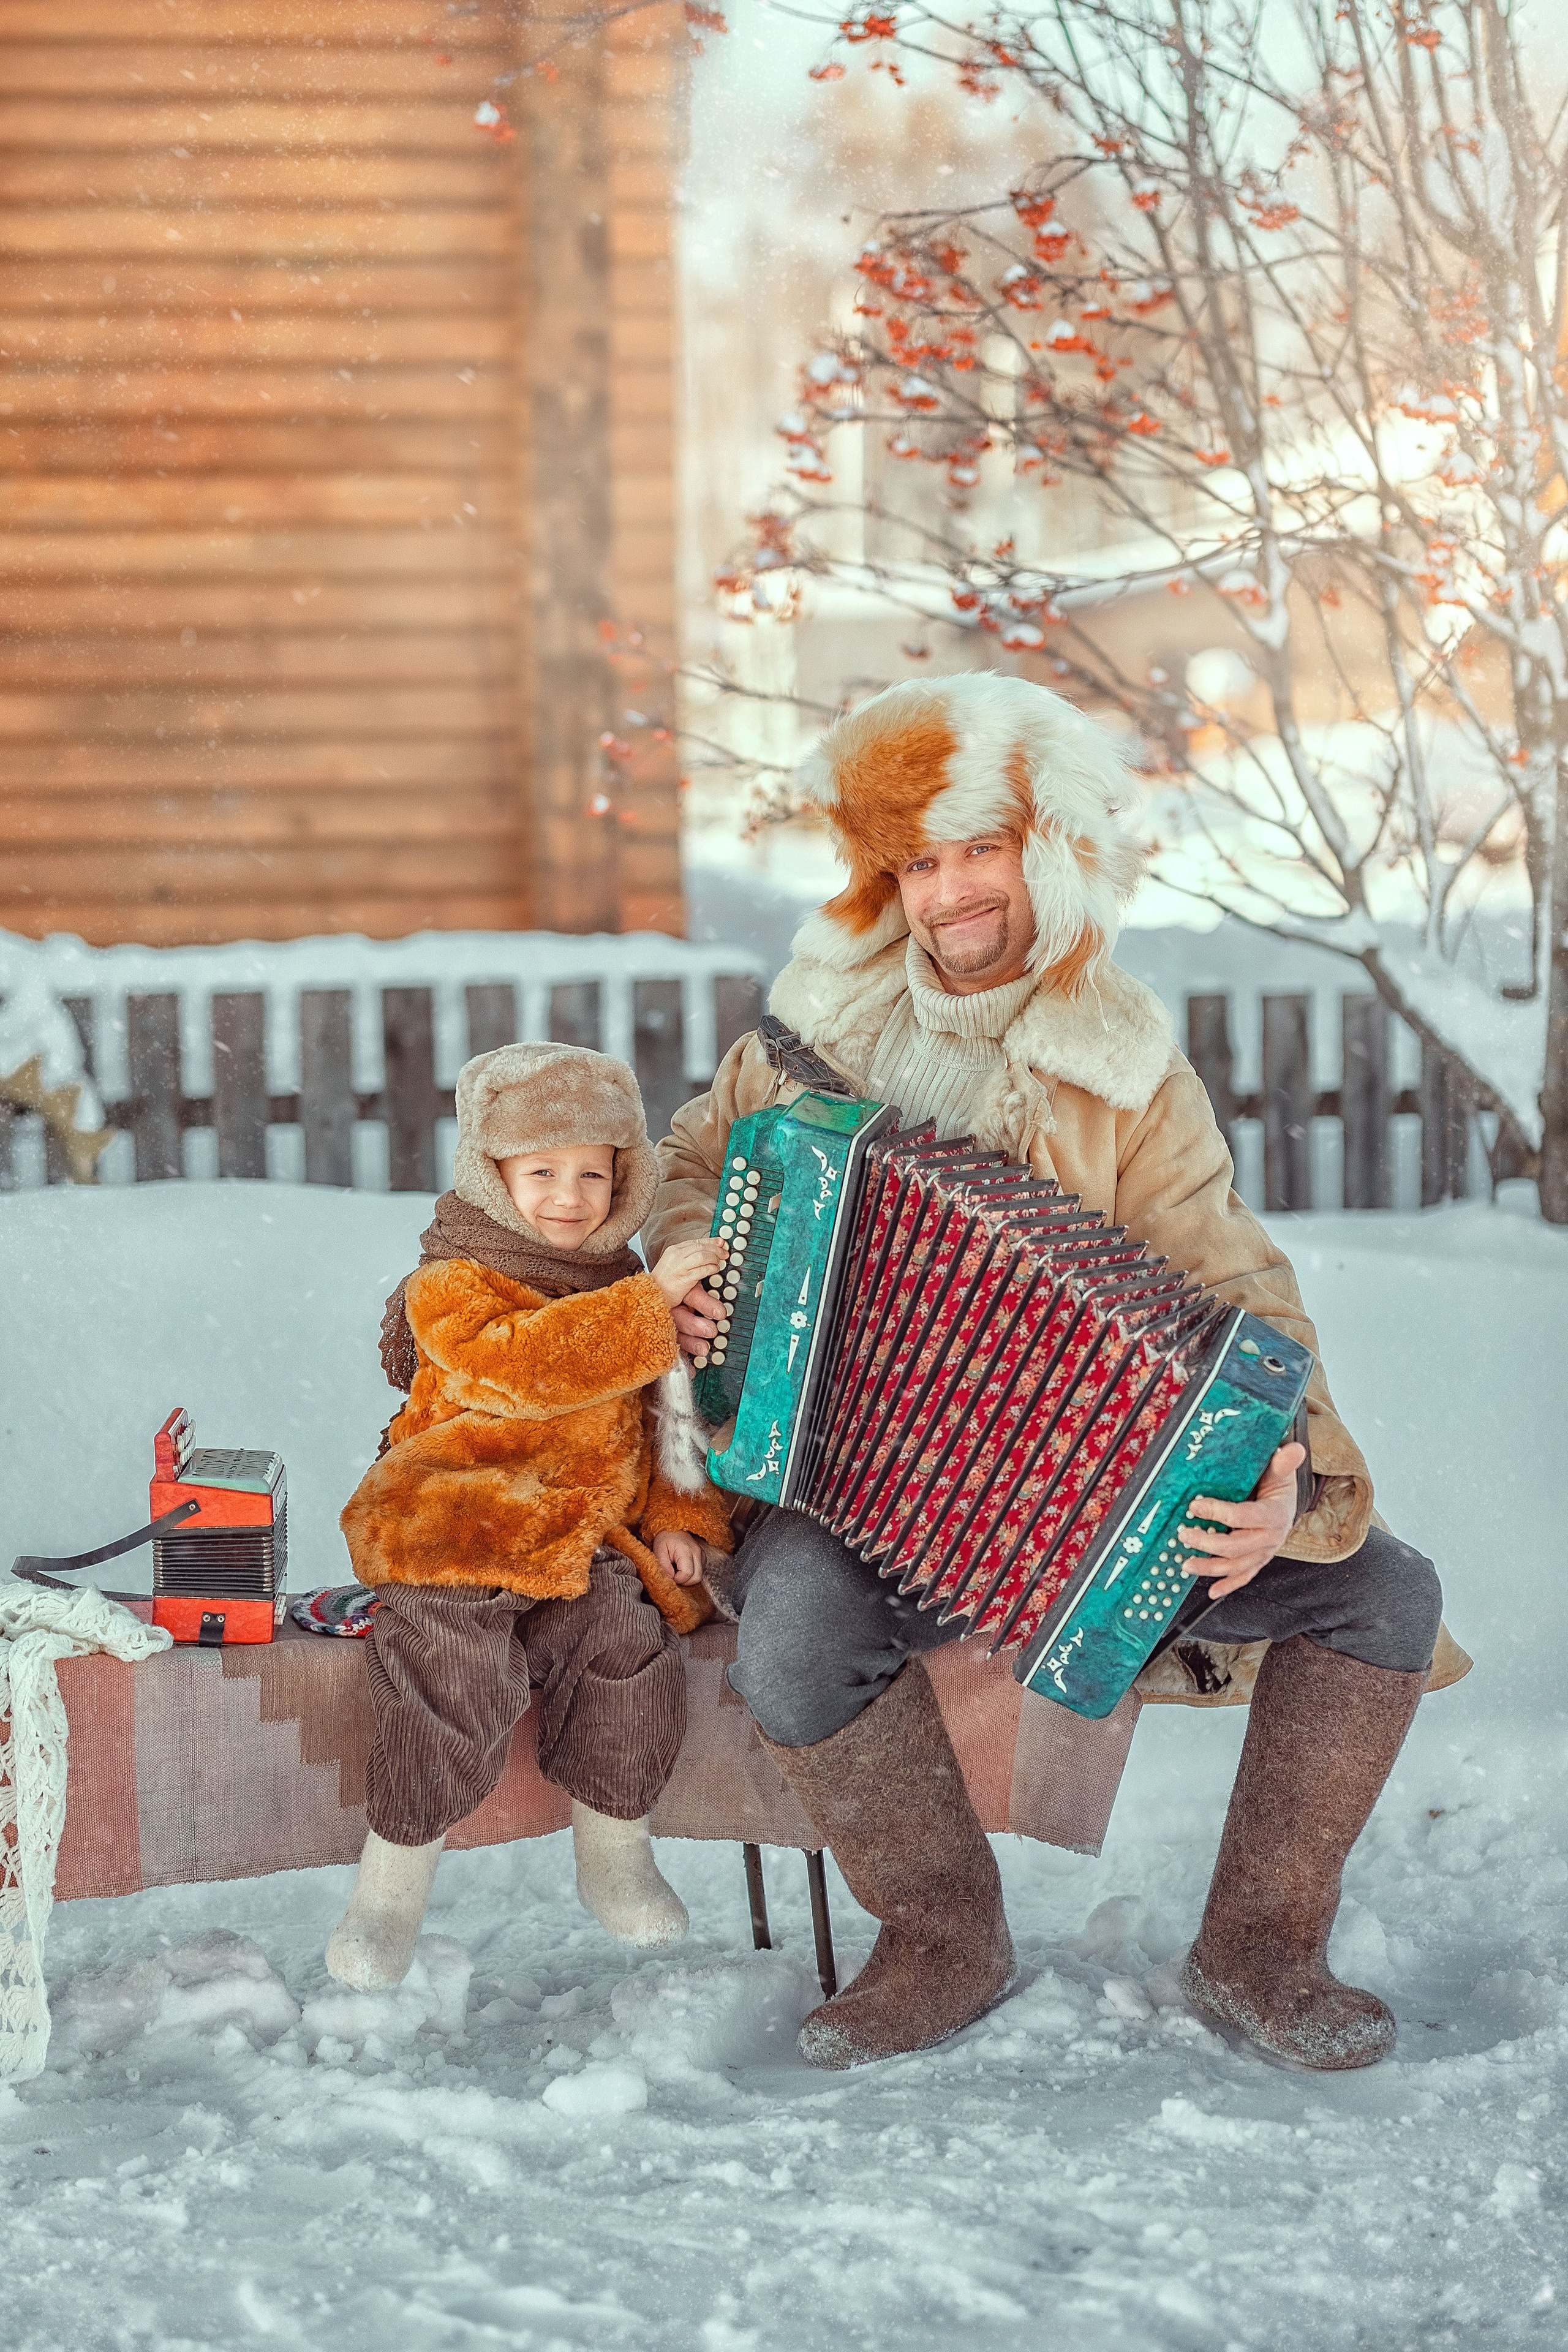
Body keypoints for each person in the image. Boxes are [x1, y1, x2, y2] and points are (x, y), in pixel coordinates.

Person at [646, 669, 1467, 2075]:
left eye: (983, 848)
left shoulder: (1123, 1070)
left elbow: (1233, 1287)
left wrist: (1286, 1478)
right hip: (840, 1480)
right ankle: (944, 1940)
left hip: (1062, 1502)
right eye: (918, 859)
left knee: (1382, 1590)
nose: (952, 891)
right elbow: (681, 1163)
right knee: (788, 1630)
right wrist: (677, 1251)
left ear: (1048, 854)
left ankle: (1257, 1951)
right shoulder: (801, 1044)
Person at [327, 1040, 733, 1991]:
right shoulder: (454, 1282)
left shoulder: (624, 1289)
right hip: (452, 1530)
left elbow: (670, 1417)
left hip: (580, 1538)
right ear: (494, 1175)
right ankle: (389, 1891)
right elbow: (521, 1368)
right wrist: (646, 1307)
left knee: (625, 1644)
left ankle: (615, 1854)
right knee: (450, 1671)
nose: (570, 1195)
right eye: (542, 1171)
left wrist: (678, 1517)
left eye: (595, 1173)